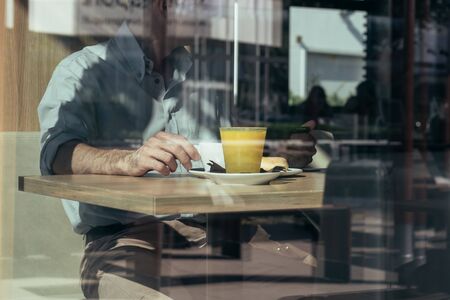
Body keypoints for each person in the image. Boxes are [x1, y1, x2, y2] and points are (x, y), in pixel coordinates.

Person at [38, 0, 317, 298]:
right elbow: (57, 154)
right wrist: (125, 161)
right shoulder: (82, 70)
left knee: (331, 286)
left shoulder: (210, 78)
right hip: (129, 240)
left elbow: (223, 159)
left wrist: (276, 154)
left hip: (222, 235)